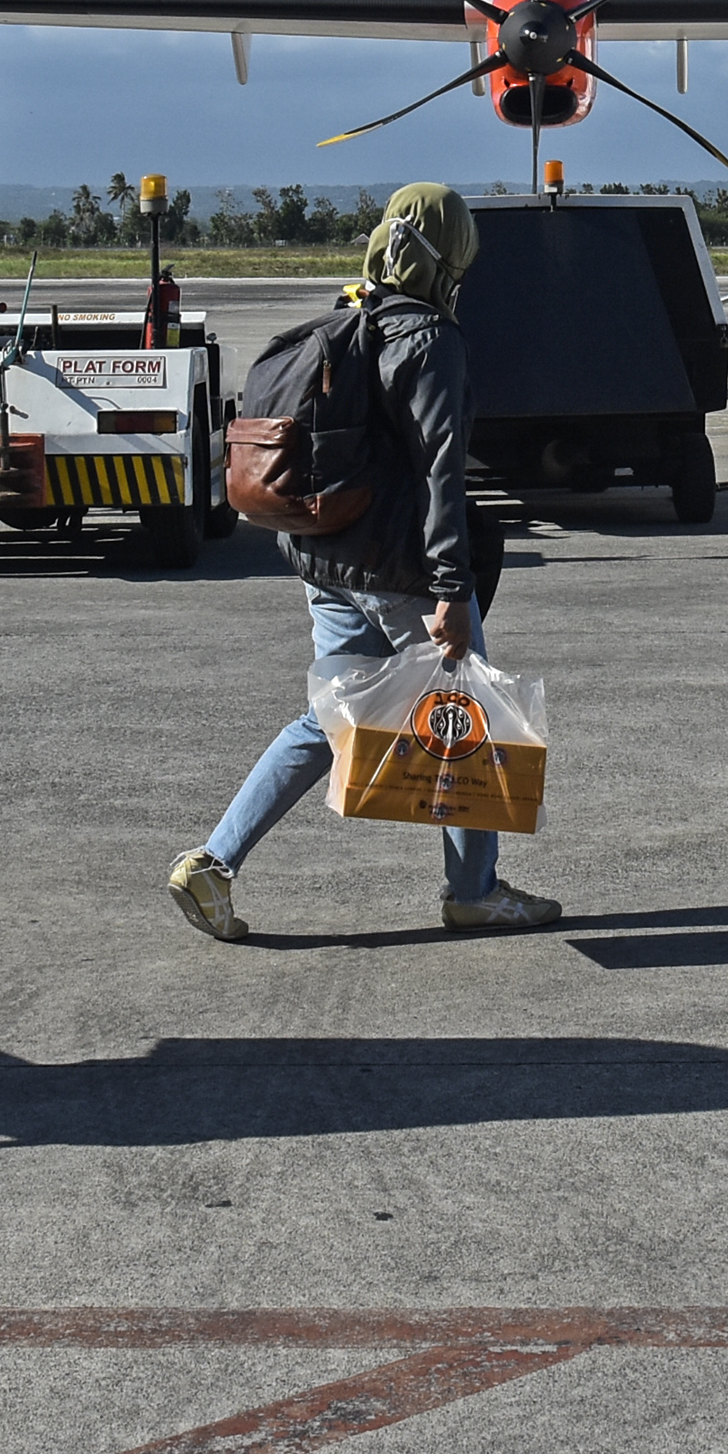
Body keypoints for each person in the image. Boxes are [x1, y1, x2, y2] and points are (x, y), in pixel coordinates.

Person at [170, 183, 560, 939]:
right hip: (401, 570)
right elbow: (443, 472)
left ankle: (212, 864)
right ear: (451, 254)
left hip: (328, 567)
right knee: (465, 721)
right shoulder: (431, 339)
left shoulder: (351, 320)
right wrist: (452, 587)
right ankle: (473, 890)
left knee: (326, 719)